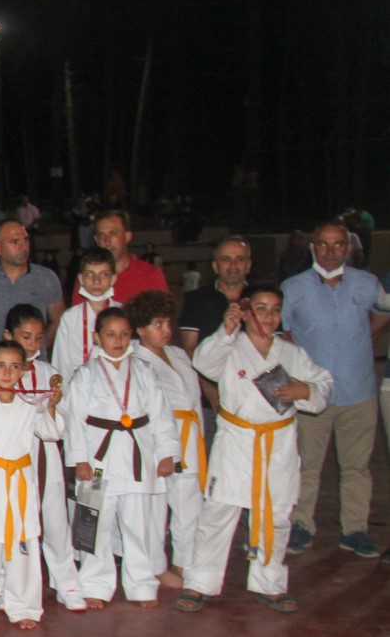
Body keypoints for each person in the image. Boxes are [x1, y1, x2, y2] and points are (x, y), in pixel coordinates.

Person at [177, 284, 334, 614]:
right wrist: (226, 330)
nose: (268, 316)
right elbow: (203, 362)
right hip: (237, 440)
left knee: (276, 515)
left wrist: (304, 390)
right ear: (246, 312)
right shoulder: (229, 347)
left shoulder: (291, 353)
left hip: (278, 444)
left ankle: (270, 583)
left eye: (275, 309)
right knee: (218, 511)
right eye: (260, 308)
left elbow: (323, 384)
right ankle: (200, 581)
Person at [283, 221, 390, 557]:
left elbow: (382, 315)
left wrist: (364, 338)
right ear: (312, 247)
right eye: (324, 244)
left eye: (338, 244)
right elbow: (282, 333)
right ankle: (301, 525)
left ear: (349, 248)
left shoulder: (368, 284)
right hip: (312, 395)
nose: (330, 251)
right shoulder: (293, 288)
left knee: (357, 467)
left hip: (359, 392)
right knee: (306, 465)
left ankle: (355, 529)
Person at [63, 308, 177, 609]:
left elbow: (162, 414)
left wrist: (167, 453)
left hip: (137, 455)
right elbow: (73, 419)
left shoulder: (144, 371)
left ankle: (141, 585)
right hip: (98, 459)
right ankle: (95, 585)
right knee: (95, 526)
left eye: (124, 334)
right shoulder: (85, 374)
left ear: (132, 336)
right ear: (97, 337)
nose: (118, 340)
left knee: (138, 526)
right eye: (111, 334)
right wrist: (80, 459)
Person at [0, 305, 84, 612]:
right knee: (10, 525)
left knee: (56, 523)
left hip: (45, 455)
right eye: (25, 336)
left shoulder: (50, 374)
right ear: (8, 335)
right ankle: (7, 587)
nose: (32, 344)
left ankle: (67, 584)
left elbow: (62, 420)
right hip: (8, 459)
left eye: (38, 338)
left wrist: (51, 406)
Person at [0, 340, 61, 631]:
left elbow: (51, 433)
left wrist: (52, 407)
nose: (7, 373)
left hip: (19, 483)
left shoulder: (30, 408)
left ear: (23, 371)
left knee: (23, 544)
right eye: (0, 366)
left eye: (14, 366)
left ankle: (23, 606)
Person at [128, 291, 204, 589]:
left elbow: (193, 399)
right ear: (140, 329)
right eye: (157, 324)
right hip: (157, 440)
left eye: (167, 323)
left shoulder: (179, 355)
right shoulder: (135, 361)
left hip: (189, 435)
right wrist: (162, 449)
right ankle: (155, 567)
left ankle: (185, 563)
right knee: (156, 507)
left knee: (189, 504)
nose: (166, 330)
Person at [0, 220, 66, 344]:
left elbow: (58, 319)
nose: (23, 247)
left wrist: (39, 346)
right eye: (14, 242)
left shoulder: (46, 278)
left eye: (25, 240)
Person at [178, 237, 250, 365]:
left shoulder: (262, 300)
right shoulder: (195, 300)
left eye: (240, 259)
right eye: (226, 259)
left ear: (248, 265)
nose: (233, 265)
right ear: (215, 266)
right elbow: (190, 351)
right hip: (210, 375)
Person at [51, 249, 117, 381]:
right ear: (81, 279)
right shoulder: (70, 318)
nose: (96, 281)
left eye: (104, 274)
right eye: (90, 274)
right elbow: (61, 364)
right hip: (79, 388)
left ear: (113, 278)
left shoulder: (123, 315)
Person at [88, 210, 167, 304]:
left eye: (113, 233)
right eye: (102, 235)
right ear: (96, 240)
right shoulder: (88, 278)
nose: (107, 241)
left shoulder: (150, 276)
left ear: (127, 237)